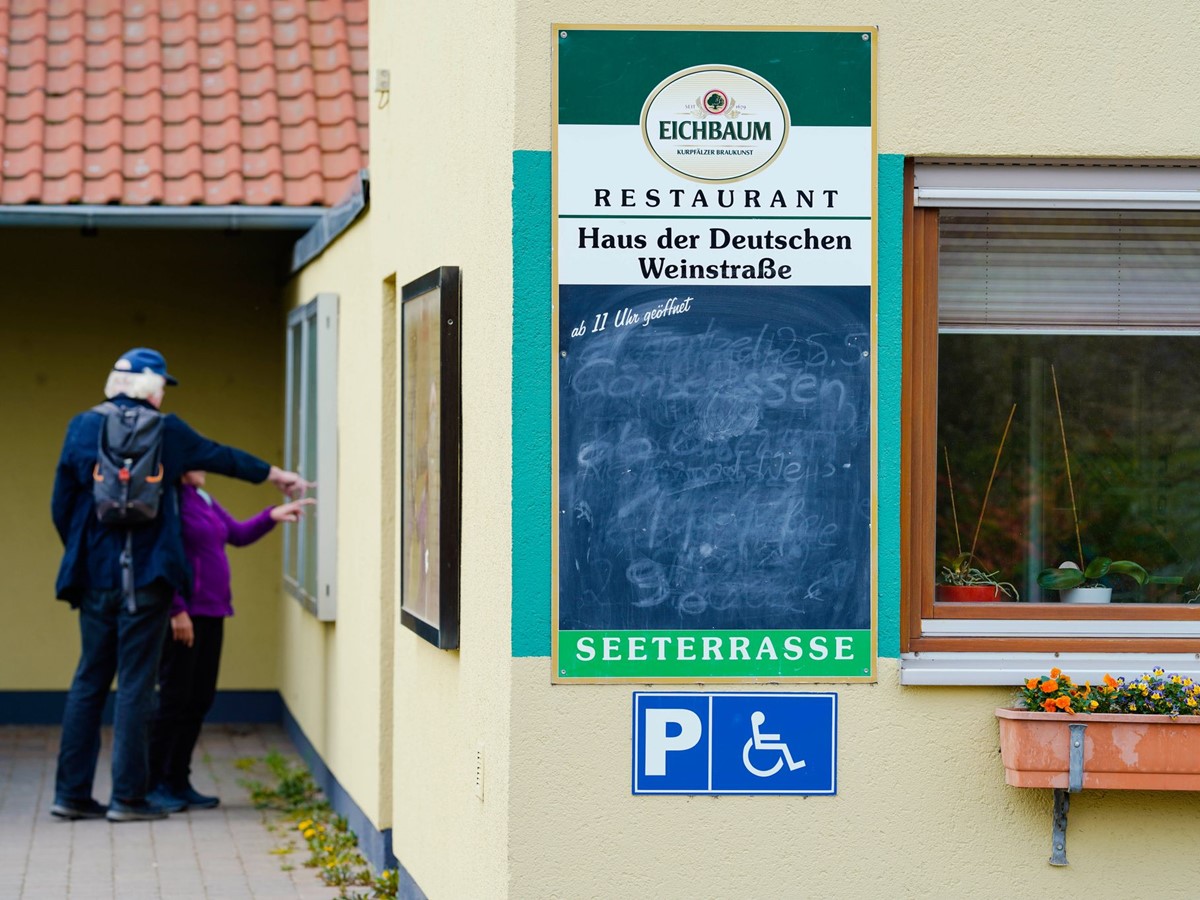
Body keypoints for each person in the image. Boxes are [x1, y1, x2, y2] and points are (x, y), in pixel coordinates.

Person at [50, 347, 310, 823]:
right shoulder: (167, 430)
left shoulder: (82, 426)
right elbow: (223, 458)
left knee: (88, 680)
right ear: (150, 387)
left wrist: (86, 553)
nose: (165, 392)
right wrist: (278, 476)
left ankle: (70, 795)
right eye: (163, 384)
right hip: (149, 579)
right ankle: (128, 799)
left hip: (95, 578)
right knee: (135, 684)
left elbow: (61, 505)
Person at [147, 471, 313, 811]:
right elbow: (160, 556)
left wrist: (271, 516)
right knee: (174, 700)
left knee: (199, 698)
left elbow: (235, 534)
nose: (205, 468)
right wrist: (176, 608)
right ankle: (154, 784)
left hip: (212, 612)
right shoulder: (170, 502)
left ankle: (179, 779)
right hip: (184, 618)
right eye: (199, 462)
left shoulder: (202, 498)